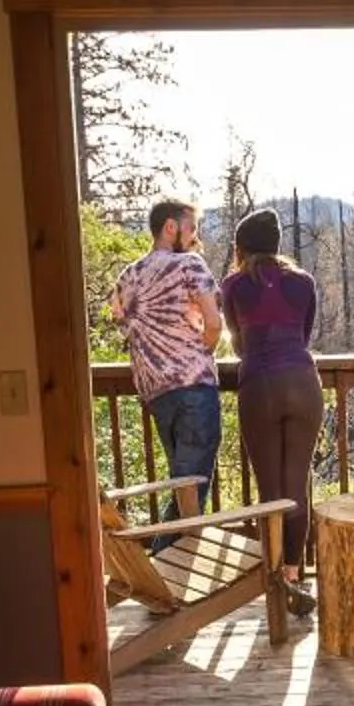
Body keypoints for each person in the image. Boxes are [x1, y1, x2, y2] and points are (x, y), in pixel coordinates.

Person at [221, 207, 324, 613]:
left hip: (259, 384)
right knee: (297, 485)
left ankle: (277, 581)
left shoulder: (233, 285)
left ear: (241, 248)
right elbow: (303, 335)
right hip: (302, 381)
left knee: (271, 493)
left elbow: (239, 344)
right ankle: (296, 577)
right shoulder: (303, 282)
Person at [107, 198, 222, 519]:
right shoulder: (189, 265)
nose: (195, 238)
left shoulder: (127, 277)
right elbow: (214, 324)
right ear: (170, 227)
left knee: (182, 486)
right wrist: (202, 351)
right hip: (193, 389)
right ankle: (163, 561)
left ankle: (169, 562)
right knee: (191, 491)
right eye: (191, 229)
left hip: (156, 395)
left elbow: (122, 326)